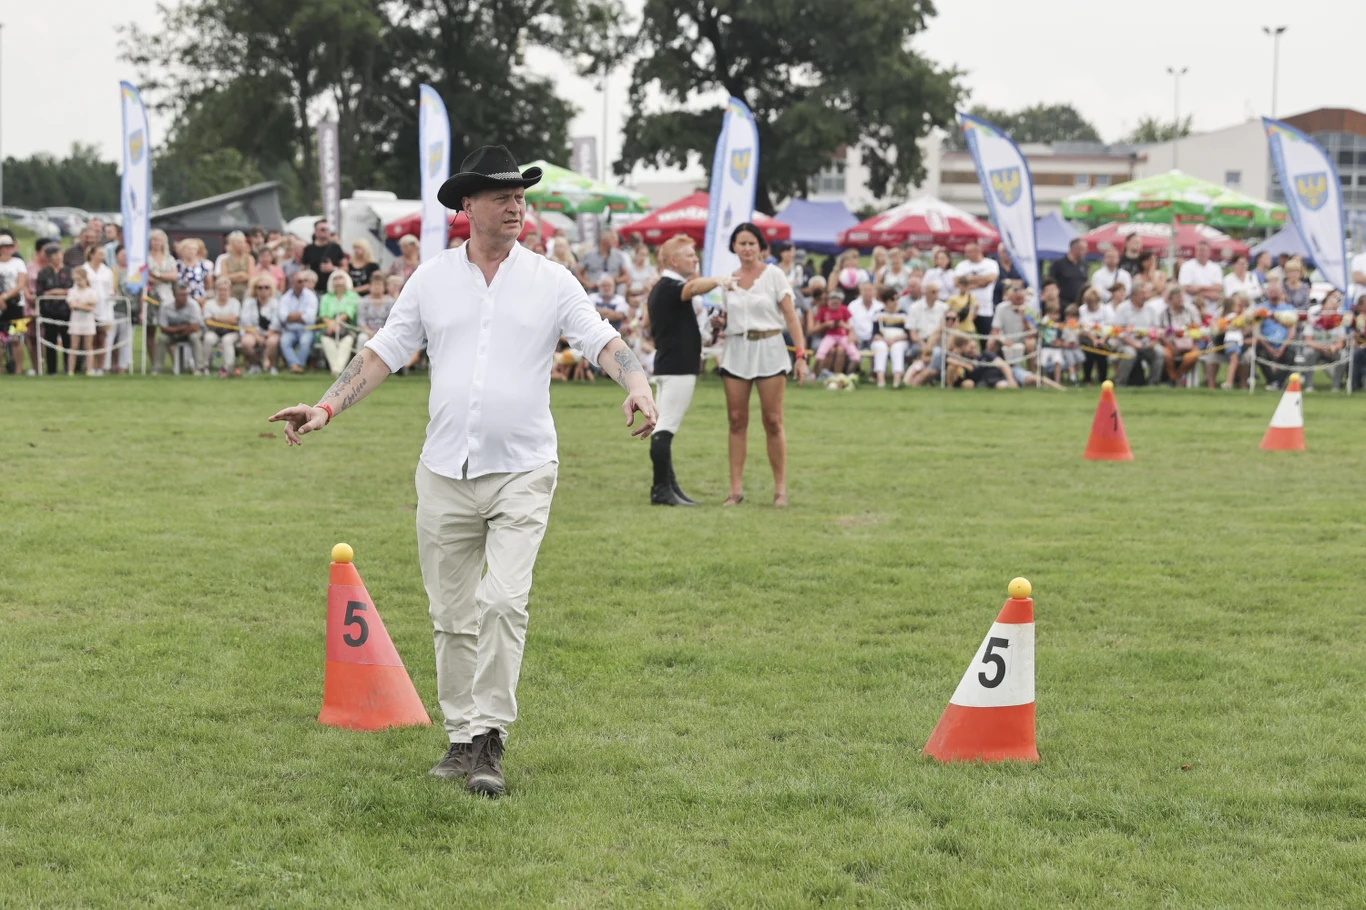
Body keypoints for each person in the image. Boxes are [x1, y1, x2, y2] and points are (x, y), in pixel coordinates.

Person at [267, 145, 657, 797]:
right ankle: (458, 738)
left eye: (520, 196)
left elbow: (603, 341)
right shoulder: (431, 280)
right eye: (502, 196)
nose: (516, 206)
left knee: (503, 601)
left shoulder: (551, 280)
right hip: (443, 471)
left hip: (523, 470)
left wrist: (639, 385)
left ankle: (491, 739)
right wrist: (326, 406)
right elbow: (384, 351)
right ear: (468, 206)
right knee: (451, 615)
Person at [716, 222, 808, 507]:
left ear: (760, 247)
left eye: (751, 243)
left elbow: (791, 317)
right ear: (733, 247)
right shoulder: (726, 280)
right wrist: (720, 322)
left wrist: (802, 355)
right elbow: (723, 317)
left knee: (772, 420)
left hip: (770, 348)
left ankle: (780, 489)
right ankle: (735, 490)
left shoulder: (774, 275)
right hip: (736, 349)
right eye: (741, 243)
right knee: (736, 419)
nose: (746, 248)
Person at [647, 234, 731, 506]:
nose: (696, 260)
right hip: (677, 368)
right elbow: (693, 288)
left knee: (663, 426)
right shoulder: (672, 285)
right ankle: (661, 490)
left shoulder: (666, 287)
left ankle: (668, 487)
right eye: (690, 256)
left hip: (670, 364)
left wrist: (710, 328)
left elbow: (686, 331)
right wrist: (719, 280)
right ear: (673, 260)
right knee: (665, 428)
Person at [1113, 283, 1164, 386]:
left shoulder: (1151, 309)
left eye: (1145, 293)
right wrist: (1133, 344)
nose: (1145, 296)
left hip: (1147, 343)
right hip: (1126, 344)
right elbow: (1118, 331)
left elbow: (1157, 330)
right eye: (1142, 294)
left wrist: (1153, 342)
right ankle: (1121, 383)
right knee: (1130, 353)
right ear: (1133, 295)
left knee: (1159, 352)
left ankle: (1153, 383)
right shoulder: (1122, 308)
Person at [34, 244, 73, 375]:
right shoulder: (44, 273)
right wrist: (52, 293)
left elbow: (71, 290)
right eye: (56, 255)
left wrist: (54, 292)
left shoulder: (69, 271)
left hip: (66, 311)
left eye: (60, 254)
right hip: (49, 312)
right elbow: (41, 292)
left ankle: (69, 368)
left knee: (68, 341)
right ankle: (51, 370)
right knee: (50, 341)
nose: (59, 257)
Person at [153, 282, 205, 373]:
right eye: (182, 295)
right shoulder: (165, 306)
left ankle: (199, 368)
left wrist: (176, 329)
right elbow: (163, 328)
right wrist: (182, 328)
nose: (185, 297)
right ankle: (156, 369)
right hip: (172, 334)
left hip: (189, 333)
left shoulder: (193, 305)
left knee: (195, 337)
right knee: (162, 338)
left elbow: (195, 327)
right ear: (175, 295)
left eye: (186, 294)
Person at [82, 246, 118, 374]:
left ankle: (101, 367)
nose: (102, 257)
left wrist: (113, 294)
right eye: (100, 254)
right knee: (90, 339)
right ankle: (89, 367)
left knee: (102, 338)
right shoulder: (84, 269)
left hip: (104, 308)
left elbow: (111, 289)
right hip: (87, 308)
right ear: (92, 254)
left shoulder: (107, 271)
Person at [145, 230, 179, 362]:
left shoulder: (169, 258)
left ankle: (175, 361)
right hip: (150, 296)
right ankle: (155, 362)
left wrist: (158, 275)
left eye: (159, 240)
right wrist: (163, 277)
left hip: (167, 297)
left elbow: (174, 276)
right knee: (151, 331)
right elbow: (146, 277)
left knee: (168, 330)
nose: (157, 243)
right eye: (154, 240)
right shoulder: (145, 257)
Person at [1300, 293, 1347, 391]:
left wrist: (1335, 347)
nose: (1333, 305)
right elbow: (1308, 341)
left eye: (1335, 304)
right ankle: (1309, 385)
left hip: (1332, 350)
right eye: (1331, 303)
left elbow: (1341, 342)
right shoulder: (1314, 320)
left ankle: (1336, 386)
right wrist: (1322, 347)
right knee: (1308, 353)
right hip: (1316, 349)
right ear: (1323, 305)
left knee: (1344, 355)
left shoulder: (1338, 322)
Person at [953, 241, 1000, 338]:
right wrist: (981, 282)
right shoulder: (962, 265)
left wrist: (968, 279)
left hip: (985, 308)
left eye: (969, 252)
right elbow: (957, 282)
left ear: (978, 251)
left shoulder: (991, 264)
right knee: (964, 338)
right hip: (966, 309)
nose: (966, 254)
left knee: (985, 338)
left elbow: (991, 278)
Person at [318, 271, 360, 375]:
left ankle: (337, 369)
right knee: (326, 339)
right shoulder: (326, 297)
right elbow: (323, 315)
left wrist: (337, 323)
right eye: (335, 278)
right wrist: (332, 324)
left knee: (347, 340)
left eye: (340, 277)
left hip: (347, 326)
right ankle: (336, 369)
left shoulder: (353, 296)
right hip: (329, 327)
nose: (337, 280)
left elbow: (349, 313)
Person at [277, 270, 320, 373]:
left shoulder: (311, 296)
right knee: (284, 341)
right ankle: (295, 365)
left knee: (305, 341)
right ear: (292, 283)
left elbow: (310, 317)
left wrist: (291, 316)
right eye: (300, 281)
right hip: (290, 329)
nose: (303, 283)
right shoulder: (285, 297)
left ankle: (297, 365)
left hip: (306, 329)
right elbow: (283, 316)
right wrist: (301, 314)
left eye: (304, 281)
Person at [1157, 286, 1201, 383]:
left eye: (1182, 296)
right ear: (1170, 299)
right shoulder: (1163, 314)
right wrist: (1171, 346)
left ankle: (1178, 376)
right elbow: (1159, 333)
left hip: (1189, 343)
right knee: (1165, 354)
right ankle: (1174, 377)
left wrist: (1191, 341)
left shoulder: (1191, 310)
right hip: (1170, 344)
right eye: (1178, 297)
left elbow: (1198, 329)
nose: (1181, 299)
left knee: (1192, 356)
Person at [201, 274, 243, 377]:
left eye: (225, 290)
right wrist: (226, 319)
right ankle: (204, 366)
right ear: (216, 290)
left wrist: (216, 317)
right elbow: (208, 321)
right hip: (214, 331)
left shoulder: (235, 302)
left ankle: (228, 368)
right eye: (220, 289)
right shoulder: (209, 303)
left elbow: (234, 320)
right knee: (208, 338)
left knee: (227, 340)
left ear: (229, 291)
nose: (222, 292)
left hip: (231, 332)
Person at [239, 274, 281, 374]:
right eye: (260, 287)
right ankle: (255, 364)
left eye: (266, 287)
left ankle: (273, 366)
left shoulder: (275, 303)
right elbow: (245, 321)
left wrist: (268, 334)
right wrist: (257, 336)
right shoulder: (248, 303)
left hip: (271, 332)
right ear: (255, 289)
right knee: (246, 342)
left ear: (271, 289)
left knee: (272, 342)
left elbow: (277, 321)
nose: (263, 290)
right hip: (253, 332)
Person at [0, 233, 29, 375]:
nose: (7, 249)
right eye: (4, 246)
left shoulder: (18, 263)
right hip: (1, 306)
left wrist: (3, 297)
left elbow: (20, 284)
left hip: (16, 305)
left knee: (16, 339)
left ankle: (18, 371)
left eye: (10, 246)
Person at [812, 290, 859, 375]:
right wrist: (826, 324)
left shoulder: (844, 309)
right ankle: (815, 374)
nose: (835, 303)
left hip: (842, 335)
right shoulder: (824, 310)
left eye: (837, 301)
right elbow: (816, 327)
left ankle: (844, 376)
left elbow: (850, 326)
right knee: (820, 354)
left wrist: (841, 324)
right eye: (832, 300)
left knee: (855, 356)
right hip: (830, 335)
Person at [870, 287, 910, 388]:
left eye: (896, 299)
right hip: (882, 340)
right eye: (892, 300)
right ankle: (880, 379)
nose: (895, 302)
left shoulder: (903, 314)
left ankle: (897, 379)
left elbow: (906, 333)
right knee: (880, 348)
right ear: (886, 301)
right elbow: (875, 333)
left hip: (899, 340)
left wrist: (894, 339)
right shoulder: (878, 314)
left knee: (897, 348)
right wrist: (885, 340)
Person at [1077, 287, 1115, 386]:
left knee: (1102, 352)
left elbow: (1110, 327)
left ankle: (1103, 379)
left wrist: (1102, 340)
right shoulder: (1083, 309)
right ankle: (1087, 379)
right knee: (1089, 352)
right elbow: (1084, 327)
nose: (1090, 306)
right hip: (1088, 338)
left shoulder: (1106, 310)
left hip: (1104, 336)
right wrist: (1094, 340)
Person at [1178, 240, 1224, 318]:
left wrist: (1199, 288)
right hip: (1191, 309)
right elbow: (1185, 288)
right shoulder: (1187, 266)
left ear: (1209, 252)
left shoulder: (1216, 268)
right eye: (1199, 250)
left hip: (1211, 310)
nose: (1201, 253)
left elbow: (1218, 288)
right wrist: (1210, 293)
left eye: (1203, 250)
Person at [66, 268, 99, 375]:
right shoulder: (72, 291)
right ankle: (71, 370)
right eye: (75, 280)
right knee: (73, 347)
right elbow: (72, 305)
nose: (78, 282)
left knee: (88, 347)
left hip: (88, 322)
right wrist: (85, 304)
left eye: (79, 279)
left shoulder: (92, 291)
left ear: (85, 278)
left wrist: (79, 304)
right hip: (76, 322)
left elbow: (91, 307)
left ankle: (89, 370)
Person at [356, 272, 395, 352]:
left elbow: (392, 320)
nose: (377, 287)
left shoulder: (391, 302)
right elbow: (361, 321)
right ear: (370, 287)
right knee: (362, 338)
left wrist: (381, 333)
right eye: (374, 284)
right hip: (367, 332)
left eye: (379, 284)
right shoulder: (363, 301)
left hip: (385, 333)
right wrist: (369, 332)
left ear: (384, 287)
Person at [215, 231, 257, 302]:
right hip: (231, 292)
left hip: (246, 290)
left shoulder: (249, 259)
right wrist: (240, 275)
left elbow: (251, 276)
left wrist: (231, 276)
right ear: (233, 244)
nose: (243, 244)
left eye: (243, 242)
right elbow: (223, 277)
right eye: (240, 242)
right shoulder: (225, 260)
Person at [1049, 238, 1089, 307]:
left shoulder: (1084, 264)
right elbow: (1050, 283)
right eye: (1083, 249)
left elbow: (1085, 282)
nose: (1085, 252)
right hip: (1063, 304)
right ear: (1075, 249)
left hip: (1080, 305)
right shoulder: (1058, 264)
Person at [177, 238, 213, 307]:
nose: (191, 251)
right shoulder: (177, 265)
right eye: (188, 249)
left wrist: (205, 299)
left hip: (199, 300)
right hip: (181, 300)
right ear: (182, 250)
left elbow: (209, 286)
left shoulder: (204, 265)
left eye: (193, 249)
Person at [624, 243, 657, 308]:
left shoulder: (651, 269)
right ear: (636, 254)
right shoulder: (629, 270)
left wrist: (638, 286)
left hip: (646, 298)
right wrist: (643, 285)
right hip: (633, 299)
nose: (643, 258)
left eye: (645, 255)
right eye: (641, 255)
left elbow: (651, 288)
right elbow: (629, 289)